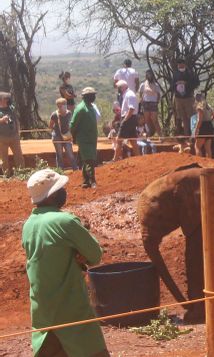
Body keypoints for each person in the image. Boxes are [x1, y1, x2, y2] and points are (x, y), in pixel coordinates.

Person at [22, 169, 109, 357]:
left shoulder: (28, 224)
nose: (64, 191)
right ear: (52, 195)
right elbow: (95, 255)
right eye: (61, 188)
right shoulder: (65, 221)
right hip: (71, 309)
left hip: (43, 312)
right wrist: (80, 257)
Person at [70, 88, 99, 188]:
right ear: (86, 97)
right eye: (91, 95)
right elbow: (73, 124)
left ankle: (86, 181)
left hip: (91, 138)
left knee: (85, 159)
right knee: (89, 160)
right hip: (84, 139)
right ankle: (92, 180)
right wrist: (74, 137)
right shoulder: (81, 108)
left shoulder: (91, 107)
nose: (94, 97)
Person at [171, 58, 200, 136]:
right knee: (183, 118)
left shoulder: (190, 73)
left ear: (184, 64)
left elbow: (196, 83)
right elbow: (172, 85)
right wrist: (177, 84)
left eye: (181, 63)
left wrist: (186, 83)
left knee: (191, 117)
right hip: (179, 98)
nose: (180, 65)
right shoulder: (175, 73)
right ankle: (186, 134)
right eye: (178, 64)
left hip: (188, 98)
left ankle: (193, 135)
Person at [113, 80, 140, 160]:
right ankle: (139, 158)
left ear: (122, 88)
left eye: (119, 88)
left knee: (119, 140)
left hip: (128, 119)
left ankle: (114, 160)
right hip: (130, 118)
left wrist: (124, 120)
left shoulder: (129, 95)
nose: (118, 89)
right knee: (133, 140)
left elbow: (131, 109)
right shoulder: (127, 94)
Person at [49, 98, 78, 171]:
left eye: (65, 104)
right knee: (59, 154)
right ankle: (60, 170)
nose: (64, 106)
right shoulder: (54, 114)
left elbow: (71, 124)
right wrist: (55, 132)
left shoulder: (69, 113)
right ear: (58, 106)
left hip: (67, 137)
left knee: (70, 153)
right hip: (57, 137)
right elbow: (50, 125)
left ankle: (75, 169)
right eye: (62, 105)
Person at [0, 91, 24, 178]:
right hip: (2, 138)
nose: (8, 100)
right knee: (4, 158)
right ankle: (7, 175)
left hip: (14, 136)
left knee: (19, 156)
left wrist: (18, 131)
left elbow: (16, 120)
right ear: (1, 100)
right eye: (6, 98)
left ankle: (21, 173)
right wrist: (2, 120)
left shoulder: (12, 108)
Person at [137, 69, 163, 137]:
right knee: (147, 120)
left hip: (153, 103)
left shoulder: (156, 85)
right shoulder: (143, 84)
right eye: (148, 74)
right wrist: (141, 100)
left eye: (150, 74)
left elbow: (158, 94)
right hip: (146, 103)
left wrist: (157, 101)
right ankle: (150, 134)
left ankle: (161, 136)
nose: (149, 76)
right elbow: (140, 93)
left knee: (155, 120)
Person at [193, 91, 214, 158]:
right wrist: (209, 121)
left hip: (203, 127)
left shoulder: (200, 106)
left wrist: (196, 129)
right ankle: (209, 164)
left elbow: (200, 120)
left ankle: (199, 163)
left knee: (197, 146)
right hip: (209, 126)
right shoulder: (208, 105)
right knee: (208, 148)